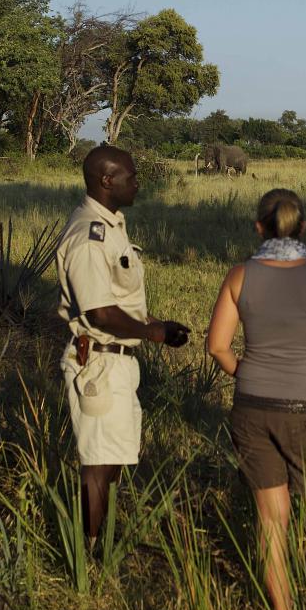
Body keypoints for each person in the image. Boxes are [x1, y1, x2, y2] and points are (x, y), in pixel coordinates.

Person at [206, 188, 306, 610]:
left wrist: (246, 374)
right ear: (303, 226)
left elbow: (217, 347)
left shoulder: (239, 276)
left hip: (252, 408)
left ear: (259, 228)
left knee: (271, 519)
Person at [56, 145, 188, 546]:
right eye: (131, 177)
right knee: (98, 462)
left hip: (116, 361)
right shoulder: (89, 236)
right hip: (99, 361)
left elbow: (117, 299)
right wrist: (153, 334)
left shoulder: (111, 225)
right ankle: (89, 552)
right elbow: (99, 312)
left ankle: (102, 541)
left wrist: (157, 325)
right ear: (107, 180)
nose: (137, 184)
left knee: (112, 455)